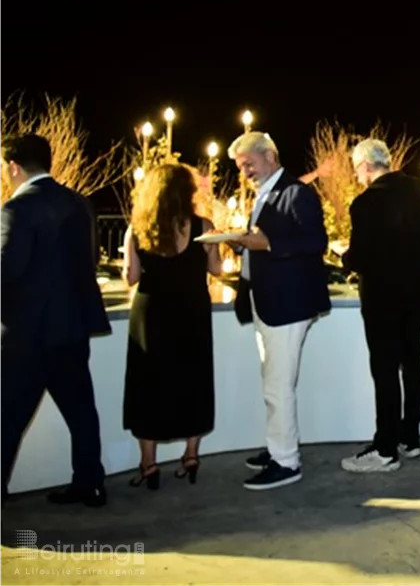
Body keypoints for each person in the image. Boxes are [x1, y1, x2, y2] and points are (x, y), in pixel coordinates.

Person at [0, 134, 110, 522]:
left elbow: (7, 271)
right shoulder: (77, 204)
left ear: (14, 166)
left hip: (28, 334)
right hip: (71, 328)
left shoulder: (16, 208)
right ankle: (90, 483)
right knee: (81, 411)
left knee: (7, 418)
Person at [226, 131, 330, 490]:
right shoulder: (265, 195)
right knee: (273, 383)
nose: (245, 172)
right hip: (265, 301)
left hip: (288, 302)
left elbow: (317, 241)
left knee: (278, 386)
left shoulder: (296, 192)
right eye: (240, 167)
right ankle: (277, 447)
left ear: (269, 155)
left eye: (248, 164)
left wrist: (266, 243)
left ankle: (286, 462)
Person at [340, 139, 420, 471]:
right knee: (413, 361)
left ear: (367, 166)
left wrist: (343, 257)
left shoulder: (365, 202)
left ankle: (385, 449)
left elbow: (359, 256)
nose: (357, 176)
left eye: (357, 169)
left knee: (384, 369)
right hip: (418, 290)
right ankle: (409, 438)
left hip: (383, 296)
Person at [122, 164, 222, 489]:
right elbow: (217, 269)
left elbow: (131, 277)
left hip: (151, 314)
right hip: (191, 311)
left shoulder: (138, 229)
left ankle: (149, 464)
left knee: (147, 383)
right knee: (193, 377)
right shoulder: (204, 226)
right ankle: (191, 455)